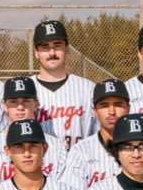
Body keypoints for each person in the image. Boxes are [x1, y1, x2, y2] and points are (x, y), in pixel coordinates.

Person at [0, 78, 67, 187]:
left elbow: (63, 187)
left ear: (36, 104)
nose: (20, 107)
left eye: (26, 101)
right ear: (4, 105)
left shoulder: (56, 147)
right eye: (13, 101)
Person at [30, 20, 97, 151]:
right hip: (38, 167)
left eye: (57, 45)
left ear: (67, 49)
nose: (52, 53)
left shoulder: (88, 89)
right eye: (44, 47)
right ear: (36, 53)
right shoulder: (24, 90)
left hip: (79, 164)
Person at [59, 79, 131, 190]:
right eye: (104, 105)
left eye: (118, 105)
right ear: (94, 111)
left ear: (128, 109)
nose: (112, 111)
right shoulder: (80, 151)